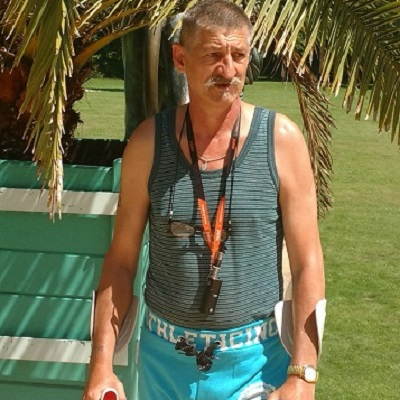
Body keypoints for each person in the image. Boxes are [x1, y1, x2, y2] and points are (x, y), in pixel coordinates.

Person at [83, 1, 325, 399]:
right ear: (180, 58)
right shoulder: (148, 143)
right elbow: (121, 261)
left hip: (256, 365)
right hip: (164, 364)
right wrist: (100, 366)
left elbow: (308, 262)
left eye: (238, 56)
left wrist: (302, 374)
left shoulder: (281, 141)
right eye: (213, 55)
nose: (228, 70)